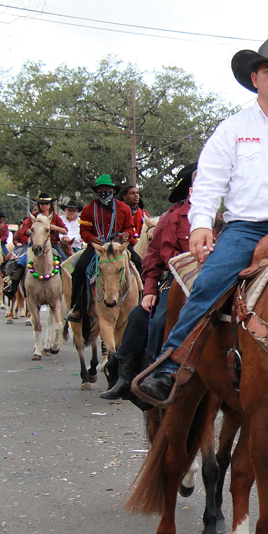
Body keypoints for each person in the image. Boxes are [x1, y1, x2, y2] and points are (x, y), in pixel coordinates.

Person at [138, 35, 268, 402]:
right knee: (209, 283)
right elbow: (209, 181)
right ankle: (170, 366)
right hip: (246, 229)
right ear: (255, 79)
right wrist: (201, 224)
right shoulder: (232, 129)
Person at [100, 164, 201, 401]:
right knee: (148, 319)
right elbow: (154, 256)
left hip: (213, 282)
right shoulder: (172, 217)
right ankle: (141, 374)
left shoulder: (221, 220)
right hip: (176, 282)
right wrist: (150, 290)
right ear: (191, 190)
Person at [67, 176, 136, 323]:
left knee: (142, 265)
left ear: (113, 191)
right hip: (98, 248)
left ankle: (145, 304)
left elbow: (130, 228)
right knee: (79, 269)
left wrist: (126, 235)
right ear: (97, 192)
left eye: (108, 190)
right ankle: (76, 307)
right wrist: (92, 239)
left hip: (119, 247)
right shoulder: (87, 210)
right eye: (101, 190)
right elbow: (84, 230)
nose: (105, 192)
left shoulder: (124, 208)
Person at [16, 193, 69, 265]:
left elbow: (65, 231)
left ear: (50, 205)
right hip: (35, 243)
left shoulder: (55, 217)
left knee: (65, 263)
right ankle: (17, 271)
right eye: (42, 204)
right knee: (21, 262)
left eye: (46, 204)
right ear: (39, 205)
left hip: (52, 243)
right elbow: (24, 229)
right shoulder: (34, 216)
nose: (44, 206)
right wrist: (34, 232)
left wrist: (54, 227)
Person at [118, 185, 149, 273]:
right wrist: (136, 243)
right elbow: (122, 230)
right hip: (123, 243)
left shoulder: (140, 211)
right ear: (124, 197)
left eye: (137, 193)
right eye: (132, 193)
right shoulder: (119, 210)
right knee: (139, 263)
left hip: (139, 243)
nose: (136, 195)